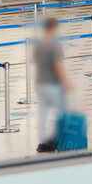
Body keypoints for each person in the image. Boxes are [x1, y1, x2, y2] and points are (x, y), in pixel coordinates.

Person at [33, 18, 72, 153]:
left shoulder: (39, 44)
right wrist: (65, 82)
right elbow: (58, 65)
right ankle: (60, 140)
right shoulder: (54, 45)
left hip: (39, 83)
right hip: (52, 84)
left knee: (43, 113)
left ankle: (43, 142)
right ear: (54, 28)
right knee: (63, 112)